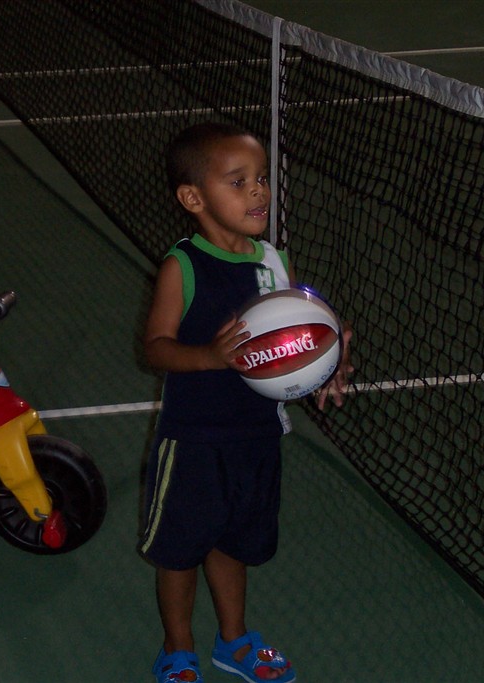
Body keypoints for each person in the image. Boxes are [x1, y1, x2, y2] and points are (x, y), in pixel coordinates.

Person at [140, 122, 352, 683]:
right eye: (238, 182)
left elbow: (298, 338)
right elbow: (155, 346)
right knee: (180, 550)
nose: (259, 191)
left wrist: (329, 361)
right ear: (194, 198)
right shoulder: (183, 266)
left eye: (261, 178)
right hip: (194, 439)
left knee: (233, 541)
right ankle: (177, 646)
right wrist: (209, 356)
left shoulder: (274, 263)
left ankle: (233, 641)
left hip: (256, 436)